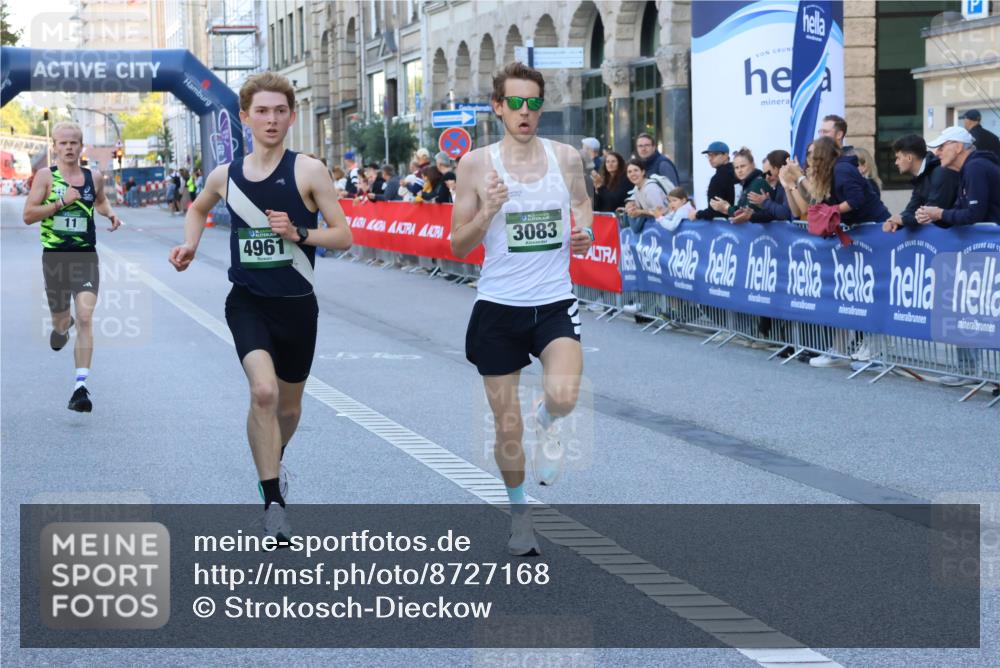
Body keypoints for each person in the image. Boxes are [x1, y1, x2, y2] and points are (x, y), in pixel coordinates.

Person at [167, 72, 353, 540]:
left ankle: (275, 459)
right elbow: (196, 207)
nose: (271, 119)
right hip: (247, 302)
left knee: (288, 410)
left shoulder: (309, 170)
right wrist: (189, 244)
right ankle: (273, 501)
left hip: (297, 307)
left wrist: (299, 234)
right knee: (264, 394)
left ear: (291, 116)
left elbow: (344, 236)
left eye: (280, 111)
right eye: (262, 111)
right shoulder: (224, 175)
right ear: (245, 117)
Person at [451, 62, 594, 557]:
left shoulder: (566, 157)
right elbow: (457, 244)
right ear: (498, 107)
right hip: (498, 307)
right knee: (505, 425)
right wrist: (489, 210)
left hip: (553, 302)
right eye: (515, 103)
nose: (525, 112)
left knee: (565, 393)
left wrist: (584, 231)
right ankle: (519, 514)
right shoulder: (474, 165)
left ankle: (549, 420)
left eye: (533, 103)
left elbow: (582, 207)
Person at [22, 120, 124, 412]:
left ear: (82, 146)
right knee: (63, 321)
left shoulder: (94, 176)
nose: (68, 147)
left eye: (74, 142)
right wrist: (59, 203)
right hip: (54, 258)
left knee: (85, 316)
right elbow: (28, 215)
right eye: (63, 143)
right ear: (54, 147)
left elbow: (100, 202)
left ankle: (80, 387)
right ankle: (59, 330)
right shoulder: (45, 177)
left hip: (85, 256)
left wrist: (110, 214)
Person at [782, 137, 890, 227]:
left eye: (814, 157)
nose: (811, 161)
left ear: (822, 156)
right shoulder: (830, 172)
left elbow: (856, 199)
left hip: (876, 225)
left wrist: (831, 211)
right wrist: (798, 177)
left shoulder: (842, 169)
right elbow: (816, 195)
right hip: (859, 227)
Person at [916, 125, 1000, 227]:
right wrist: (930, 215)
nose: (936, 153)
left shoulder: (975, 167)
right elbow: (960, 213)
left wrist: (939, 213)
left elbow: (974, 215)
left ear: (958, 147)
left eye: (941, 147)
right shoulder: (970, 168)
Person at [882, 134, 960, 233]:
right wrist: (895, 222)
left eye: (898, 158)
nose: (896, 162)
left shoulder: (941, 172)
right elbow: (912, 208)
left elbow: (930, 213)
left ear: (909, 158)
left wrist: (903, 220)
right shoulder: (922, 175)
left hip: (958, 239)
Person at [710, 146, 770, 222]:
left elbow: (746, 214)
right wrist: (725, 208)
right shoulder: (748, 183)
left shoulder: (758, 183)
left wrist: (726, 207)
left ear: (752, 165)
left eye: (743, 166)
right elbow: (742, 210)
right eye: (736, 168)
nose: (739, 170)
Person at [691, 140, 738, 220]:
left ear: (726, 155)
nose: (710, 158)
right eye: (709, 155)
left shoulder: (719, 178)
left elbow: (714, 211)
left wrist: (697, 214)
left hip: (726, 226)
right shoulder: (737, 172)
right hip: (741, 221)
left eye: (715, 155)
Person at [623, 158, 670, 234]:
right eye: (629, 172)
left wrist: (640, 212)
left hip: (667, 229)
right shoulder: (637, 189)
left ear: (643, 172)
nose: (633, 174)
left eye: (636, 170)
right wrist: (631, 207)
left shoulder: (650, 188)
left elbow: (661, 212)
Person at [746, 149, 793, 222]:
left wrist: (765, 202)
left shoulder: (790, 184)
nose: (767, 177)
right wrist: (752, 215)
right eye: (764, 174)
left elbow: (785, 214)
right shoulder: (779, 186)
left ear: (777, 167)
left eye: (769, 172)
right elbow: (774, 214)